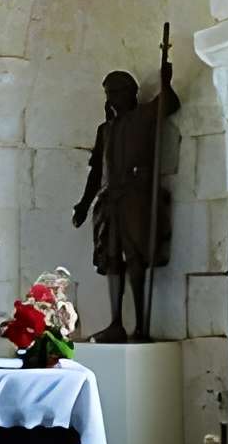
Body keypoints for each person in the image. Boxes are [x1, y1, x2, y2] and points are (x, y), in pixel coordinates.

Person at [72, 61, 179, 341]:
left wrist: (166, 82)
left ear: (130, 93)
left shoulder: (143, 117)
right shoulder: (105, 130)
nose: (112, 99)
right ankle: (116, 322)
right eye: (108, 93)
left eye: (117, 92)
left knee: (135, 256)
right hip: (112, 199)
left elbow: (169, 104)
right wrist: (84, 204)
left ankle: (141, 325)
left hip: (136, 197)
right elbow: (97, 171)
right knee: (111, 257)